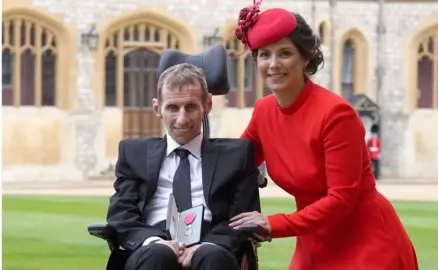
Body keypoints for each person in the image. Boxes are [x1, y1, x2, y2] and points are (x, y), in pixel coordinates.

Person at [228, 1, 419, 269]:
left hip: (366, 244)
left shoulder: (336, 113)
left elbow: (341, 199)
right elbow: (234, 161)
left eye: (285, 53)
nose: (273, 64)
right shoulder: (264, 110)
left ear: (305, 58)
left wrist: (274, 223)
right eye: (264, 54)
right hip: (313, 244)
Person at [106, 63, 260, 270]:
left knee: (213, 256)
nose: (182, 119)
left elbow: (243, 218)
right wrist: (154, 241)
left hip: (213, 243)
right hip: (152, 243)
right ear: (157, 108)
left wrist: (208, 244)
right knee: (156, 255)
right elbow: (121, 214)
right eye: (172, 108)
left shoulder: (237, 155)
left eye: (191, 107)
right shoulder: (133, 153)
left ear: (207, 105)